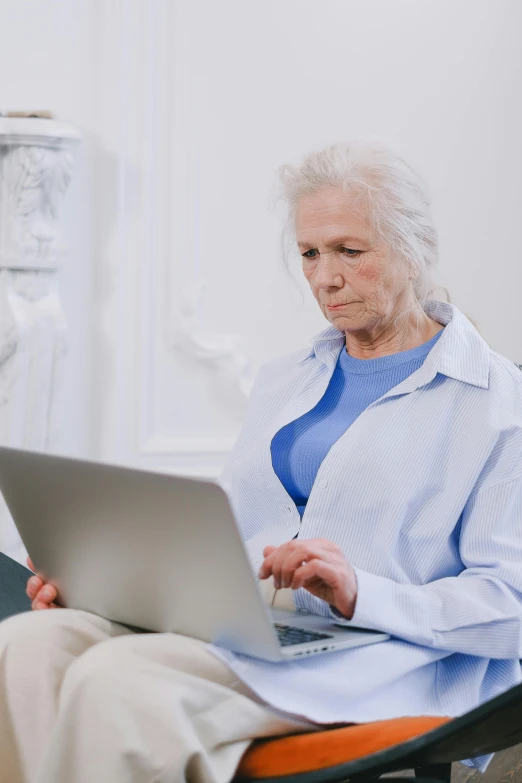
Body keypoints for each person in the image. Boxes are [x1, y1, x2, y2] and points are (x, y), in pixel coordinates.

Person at [1, 140, 522, 783]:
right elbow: (225, 534)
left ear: (415, 250)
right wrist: (102, 573)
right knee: (25, 645)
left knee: (118, 683)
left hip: (384, 654)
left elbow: (510, 607)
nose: (324, 278)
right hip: (253, 627)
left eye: (349, 251)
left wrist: (364, 592)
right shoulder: (288, 380)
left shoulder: (499, 404)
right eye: (309, 253)